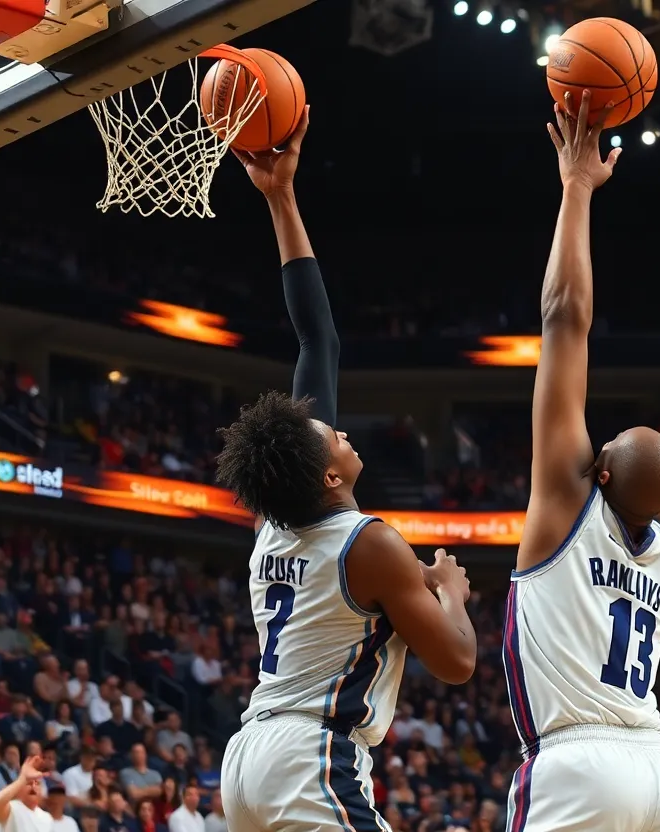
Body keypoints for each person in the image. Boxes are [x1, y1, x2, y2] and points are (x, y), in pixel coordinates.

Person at [214, 106, 477, 832]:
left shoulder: (278, 517)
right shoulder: (368, 542)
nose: (339, 428)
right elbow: (456, 661)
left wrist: (279, 195)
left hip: (248, 759)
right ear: (330, 475)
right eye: (331, 436)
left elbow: (317, 340)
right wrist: (451, 591)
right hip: (308, 757)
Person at [505, 91, 660, 832]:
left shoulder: (562, 510)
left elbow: (565, 319)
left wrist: (576, 189)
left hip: (578, 765)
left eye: (600, 448)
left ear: (600, 471)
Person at [0, 755, 51, 832]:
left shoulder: (47, 818)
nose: (33, 786)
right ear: (19, 788)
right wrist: (22, 779)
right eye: (28, 783)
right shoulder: (12, 808)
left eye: (37, 783)